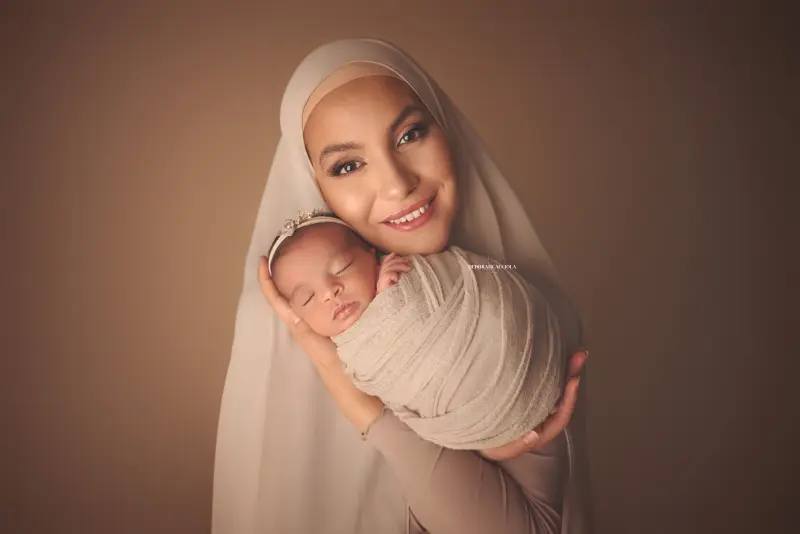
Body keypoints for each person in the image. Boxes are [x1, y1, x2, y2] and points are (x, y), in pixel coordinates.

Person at [213, 39, 592, 534]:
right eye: (347, 165)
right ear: (315, 187)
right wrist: (321, 354)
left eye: (410, 134)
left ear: (445, 130)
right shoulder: (289, 331)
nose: (397, 184)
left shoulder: (528, 295)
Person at [267, 212, 570, 452]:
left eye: (342, 267)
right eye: (307, 298)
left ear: (373, 254)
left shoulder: (406, 272)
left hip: (535, 358)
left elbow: (487, 272)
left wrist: (392, 296)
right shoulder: (347, 352)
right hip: (476, 430)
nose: (330, 293)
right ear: (301, 318)